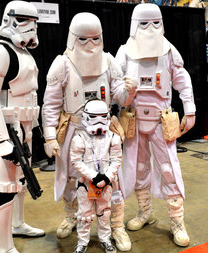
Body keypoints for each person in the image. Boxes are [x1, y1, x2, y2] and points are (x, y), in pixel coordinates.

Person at [41, 12, 136, 252]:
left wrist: (129, 91)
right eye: (83, 39)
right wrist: (50, 136)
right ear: (73, 38)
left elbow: (119, 96)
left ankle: (116, 226)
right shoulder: (61, 64)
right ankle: (72, 217)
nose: (90, 45)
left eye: (95, 39)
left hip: (105, 132)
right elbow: (50, 105)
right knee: (72, 180)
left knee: (112, 179)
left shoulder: (108, 61)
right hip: (74, 130)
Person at [114, 3, 196, 247]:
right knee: (138, 169)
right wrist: (122, 94)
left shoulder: (168, 51)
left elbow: (182, 78)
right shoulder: (125, 52)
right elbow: (115, 87)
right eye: (144, 23)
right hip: (134, 120)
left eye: (155, 23)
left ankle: (177, 221)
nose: (150, 28)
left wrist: (189, 109)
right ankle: (144, 211)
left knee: (169, 169)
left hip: (161, 120)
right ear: (134, 24)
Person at [0, 1, 44, 252]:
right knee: (7, 187)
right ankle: (4, 248)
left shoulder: (24, 53)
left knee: (22, 182)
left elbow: (31, 94)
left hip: (25, 127)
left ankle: (18, 224)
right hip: (8, 129)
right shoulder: (0, 50)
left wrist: (35, 129)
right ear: (11, 20)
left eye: (35, 22)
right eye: (26, 21)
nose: (32, 28)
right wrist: (3, 140)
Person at [70, 99, 120, 253]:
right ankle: (82, 242)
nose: (98, 121)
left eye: (102, 116)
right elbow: (76, 161)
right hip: (85, 184)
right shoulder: (79, 138)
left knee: (105, 212)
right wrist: (93, 176)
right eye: (94, 117)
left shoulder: (113, 137)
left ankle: (105, 239)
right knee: (84, 215)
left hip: (106, 183)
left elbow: (117, 159)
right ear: (86, 117)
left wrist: (107, 177)